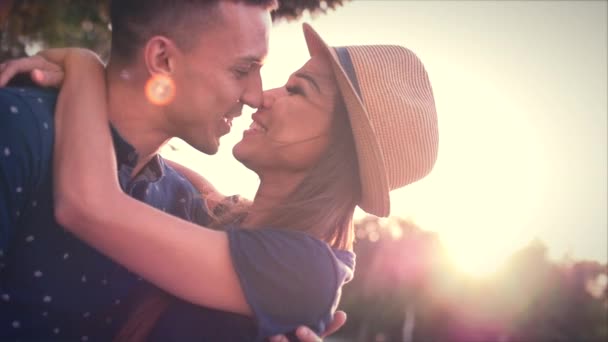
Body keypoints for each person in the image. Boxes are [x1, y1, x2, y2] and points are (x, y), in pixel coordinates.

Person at [4, 23, 439, 341]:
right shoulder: (231, 221)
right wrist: (93, 103)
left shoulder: (308, 271)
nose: (262, 97)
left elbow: (89, 204)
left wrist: (83, 67)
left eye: (298, 91)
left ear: (339, 151)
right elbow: (158, 163)